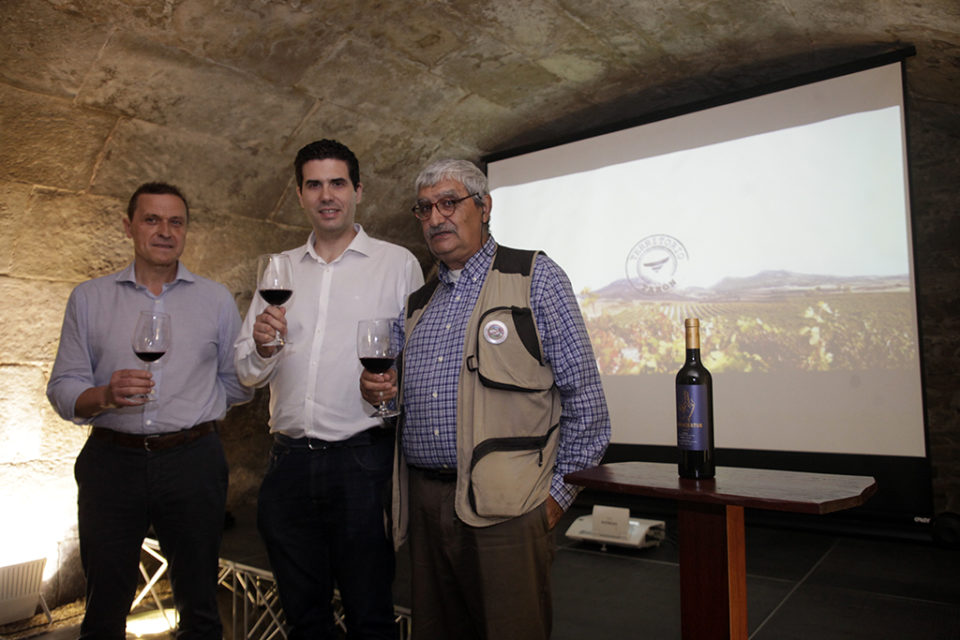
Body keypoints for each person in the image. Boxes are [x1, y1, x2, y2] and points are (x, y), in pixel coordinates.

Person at [361, 159, 611, 639]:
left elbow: (587, 404)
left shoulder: (534, 277)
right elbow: (386, 393)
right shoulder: (417, 305)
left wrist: (554, 501)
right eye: (425, 209)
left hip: (511, 509)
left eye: (449, 203)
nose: (436, 218)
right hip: (427, 505)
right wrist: (374, 389)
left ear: (485, 207)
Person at [46, 182, 254, 639]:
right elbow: (62, 387)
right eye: (152, 219)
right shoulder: (90, 298)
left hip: (192, 460)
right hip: (112, 462)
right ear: (129, 227)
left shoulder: (215, 300)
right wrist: (104, 395)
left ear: (185, 231)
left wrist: (197, 404)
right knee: (104, 606)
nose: (165, 231)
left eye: (175, 221)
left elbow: (239, 385)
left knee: (200, 604)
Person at [234, 139, 423, 639]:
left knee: (371, 615)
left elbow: (422, 366)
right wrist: (264, 348)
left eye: (337, 182)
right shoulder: (280, 270)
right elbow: (247, 374)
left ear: (358, 190)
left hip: (362, 465)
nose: (326, 195)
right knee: (304, 618)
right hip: (288, 465)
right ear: (300, 194)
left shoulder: (397, 264)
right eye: (313, 184)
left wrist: (389, 387)